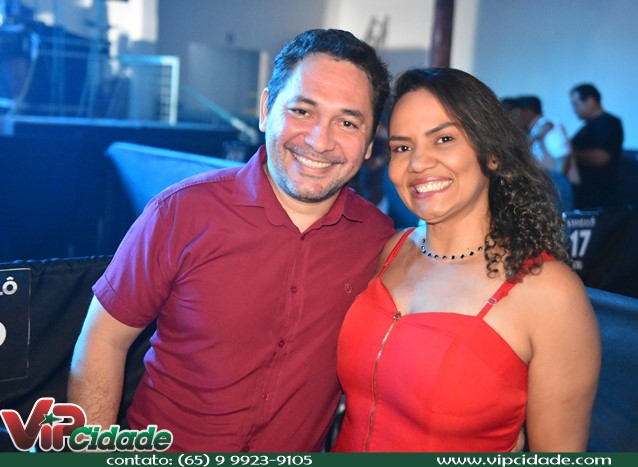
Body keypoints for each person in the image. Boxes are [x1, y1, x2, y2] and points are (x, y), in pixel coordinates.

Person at [67, 29, 395, 452]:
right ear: (265, 110)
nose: (320, 141)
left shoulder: (378, 240)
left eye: (347, 122)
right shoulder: (180, 212)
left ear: (369, 142)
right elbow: (102, 341)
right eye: (302, 111)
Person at [331, 68, 601, 452]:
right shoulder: (392, 250)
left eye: (443, 139)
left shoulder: (548, 292)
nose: (418, 163)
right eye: (402, 147)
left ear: (491, 154)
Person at [513, 95, 576, 212]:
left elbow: (562, 155)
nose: (515, 118)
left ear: (527, 112)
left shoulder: (548, 125)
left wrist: (556, 182)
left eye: (516, 113)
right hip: (548, 181)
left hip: (553, 183)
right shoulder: (537, 129)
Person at [569, 83, 624, 210]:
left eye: (575, 104)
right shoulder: (588, 126)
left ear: (590, 101)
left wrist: (568, 152)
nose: (574, 110)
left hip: (599, 197)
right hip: (587, 195)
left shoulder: (608, 123)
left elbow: (601, 158)